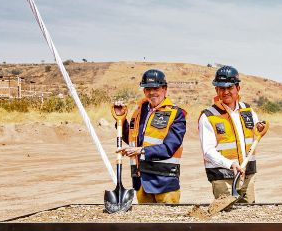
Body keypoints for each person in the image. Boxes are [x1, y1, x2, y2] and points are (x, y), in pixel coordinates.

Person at [113, 69, 187, 204]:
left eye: (156, 88)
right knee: (146, 223)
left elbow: (169, 148)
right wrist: (121, 120)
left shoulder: (176, 114)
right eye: (148, 89)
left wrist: (141, 150)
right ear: (144, 91)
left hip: (165, 183)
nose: (152, 92)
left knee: (168, 224)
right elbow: (131, 139)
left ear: (164, 89)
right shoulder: (138, 112)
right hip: (141, 182)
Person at [198, 65, 266, 203]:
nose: (225, 92)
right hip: (223, 177)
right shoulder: (208, 116)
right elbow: (207, 151)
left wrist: (260, 128)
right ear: (216, 89)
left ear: (238, 88)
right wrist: (230, 164)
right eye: (221, 88)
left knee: (249, 217)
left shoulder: (247, 110)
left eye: (230, 88)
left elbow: (256, 131)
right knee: (228, 218)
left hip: (247, 175)